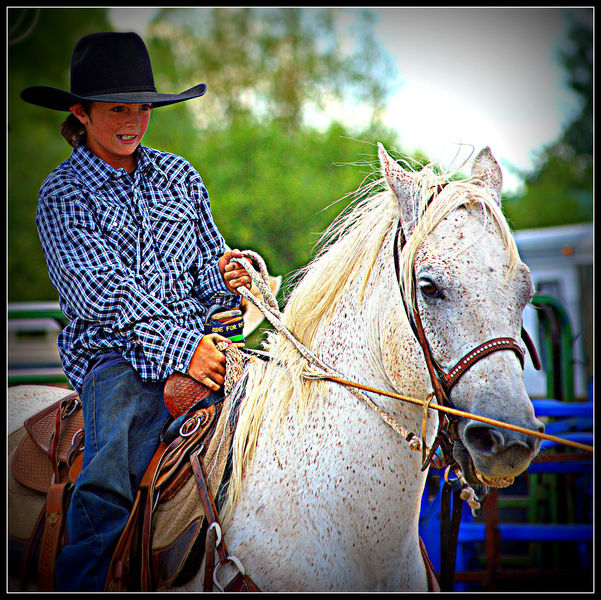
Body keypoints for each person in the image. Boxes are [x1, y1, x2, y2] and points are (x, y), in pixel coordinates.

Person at [21, 31, 251, 591]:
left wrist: (231, 286)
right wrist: (184, 347)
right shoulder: (63, 195)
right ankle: (86, 578)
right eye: (117, 108)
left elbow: (207, 269)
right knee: (110, 470)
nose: (133, 121)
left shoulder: (180, 175)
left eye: (142, 108)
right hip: (114, 360)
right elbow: (100, 298)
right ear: (81, 111)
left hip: (203, 349)